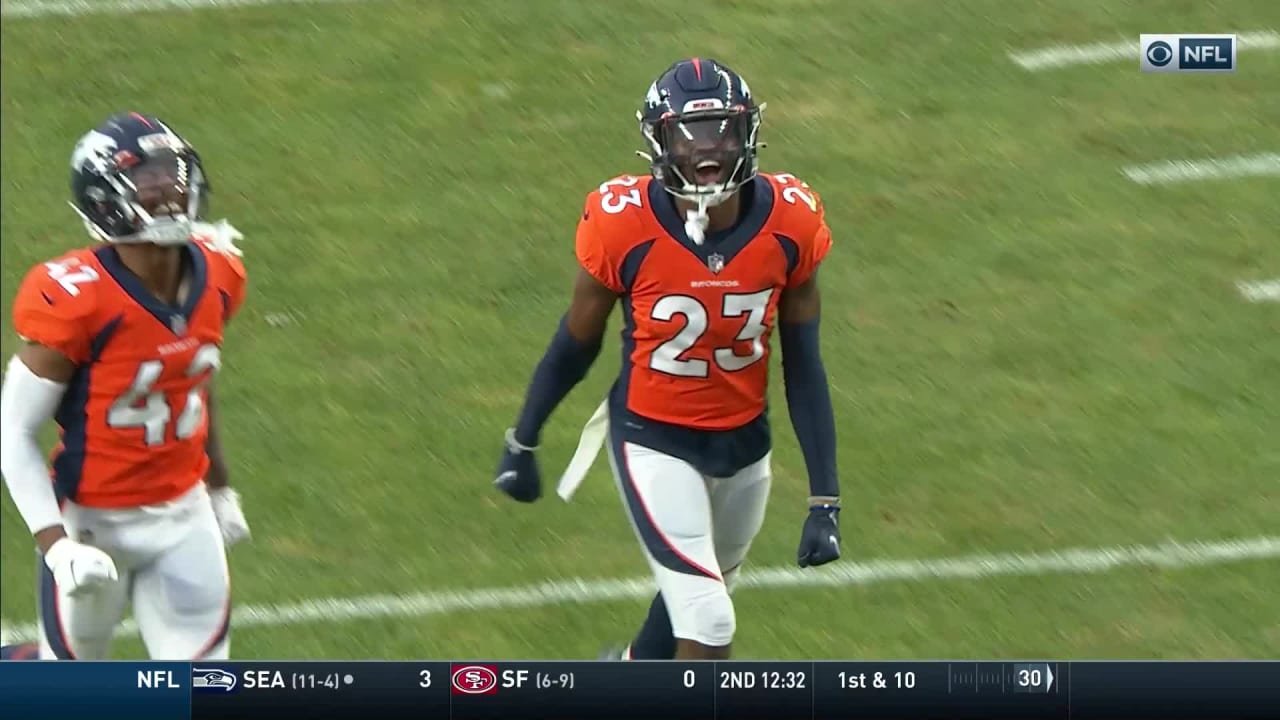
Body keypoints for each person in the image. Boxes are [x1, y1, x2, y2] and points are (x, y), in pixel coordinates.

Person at [494, 58, 842, 660]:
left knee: (693, 603)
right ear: (657, 141)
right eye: (686, 134)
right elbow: (577, 340)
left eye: (719, 130)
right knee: (709, 626)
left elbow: (804, 365)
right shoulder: (621, 225)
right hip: (654, 442)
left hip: (743, 449)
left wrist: (824, 498)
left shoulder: (791, 220)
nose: (705, 151)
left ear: (748, 133)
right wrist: (523, 438)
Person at [0, 112, 251, 661]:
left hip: (184, 516)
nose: (166, 190)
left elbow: (191, 380)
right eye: (146, 178)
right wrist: (56, 545)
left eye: (172, 173)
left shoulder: (219, 271)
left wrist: (219, 484)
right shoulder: (76, 297)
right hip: (93, 522)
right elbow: (13, 432)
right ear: (103, 198)